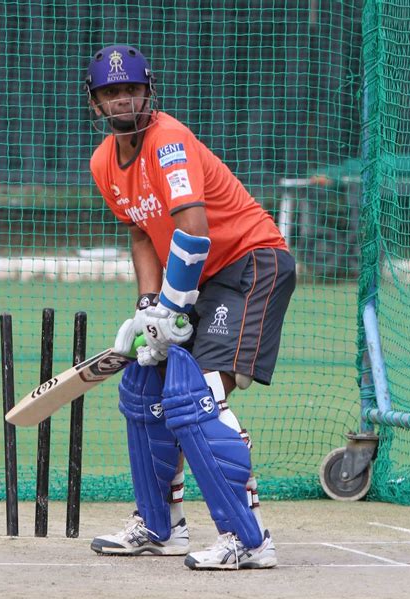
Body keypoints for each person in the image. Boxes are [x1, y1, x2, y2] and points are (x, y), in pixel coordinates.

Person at [85, 44, 296, 570]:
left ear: (148, 92)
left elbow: (194, 231)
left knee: (197, 394)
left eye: (131, 89)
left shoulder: (169, 141)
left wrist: (171, 310)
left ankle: (249, 540)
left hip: (247, 263)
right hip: (194, 278)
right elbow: (140, 233)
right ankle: (161, 527)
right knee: (144, 388)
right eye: (112, 93)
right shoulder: (102, 164)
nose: (123, 100)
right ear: (95, 104)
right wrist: (148, 306)